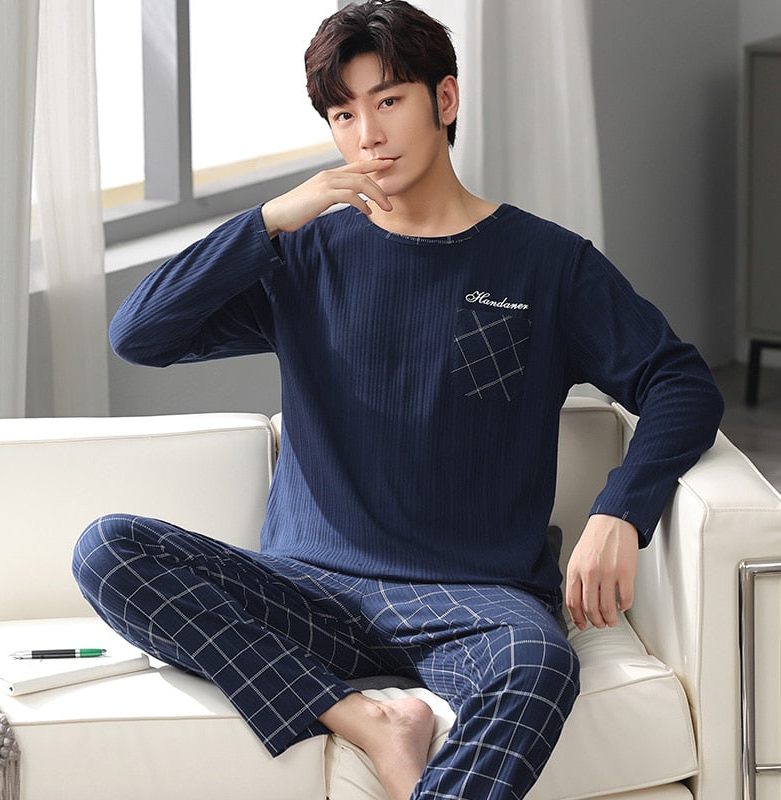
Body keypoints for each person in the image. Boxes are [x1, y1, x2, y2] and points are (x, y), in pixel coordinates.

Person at [72, 2, 724, 799]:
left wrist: (620, 511)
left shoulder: (548, 264)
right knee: (107, 549)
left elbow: (679, 381)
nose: (369, 136)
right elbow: (139, 333)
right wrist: (273, 218)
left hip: (475, 601)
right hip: (310, 591)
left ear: (444, 100)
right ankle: (367, 720)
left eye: (388, 101)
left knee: (539, 663)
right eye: (344, 115)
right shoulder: (302, 257)